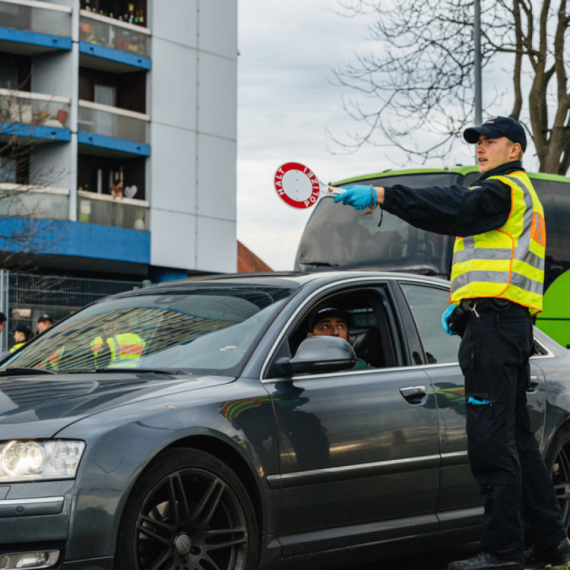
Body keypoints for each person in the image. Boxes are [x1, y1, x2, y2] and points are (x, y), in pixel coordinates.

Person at [334, 116, 569, 570]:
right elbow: (499, 268)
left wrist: (386, 195)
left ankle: (502, 553)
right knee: (518, 441)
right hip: (506, 324)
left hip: (494, 331)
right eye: (477, 142)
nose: (481, 148)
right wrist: (463, 308)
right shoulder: (520, 198)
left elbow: (451, 208)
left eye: (491, 141)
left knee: (491, 443)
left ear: (514, 150)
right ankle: (551, 544)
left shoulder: (502, 190)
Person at [307, 306, 368, 370]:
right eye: (325, 326)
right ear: (310, 338)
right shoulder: (302, 368)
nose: (335, 332)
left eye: (340, 326)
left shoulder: (358, 367)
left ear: (348, 337)